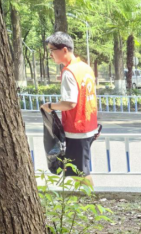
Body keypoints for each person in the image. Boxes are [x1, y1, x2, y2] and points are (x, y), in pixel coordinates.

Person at [41, 32, 99, 186]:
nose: (50, 55)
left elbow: (70, 103)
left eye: (52, 50)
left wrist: (49, 106)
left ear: (64, 50)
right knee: (78, 169)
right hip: (88, 125)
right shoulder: (85, 67)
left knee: (80, 172)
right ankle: (87, 197)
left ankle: (90, 198)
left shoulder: (69, 72)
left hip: (77, 129)